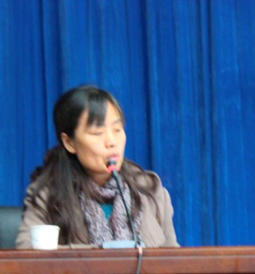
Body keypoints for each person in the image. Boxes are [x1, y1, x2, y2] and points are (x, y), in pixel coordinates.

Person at [16, 85, 178, 248]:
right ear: (69, 142)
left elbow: (175, 259)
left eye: (117, 129)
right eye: (97, 133)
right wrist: (106, 253)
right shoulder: (48, 195)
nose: (111, 142)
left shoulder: (149, 189)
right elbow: (27, 251)